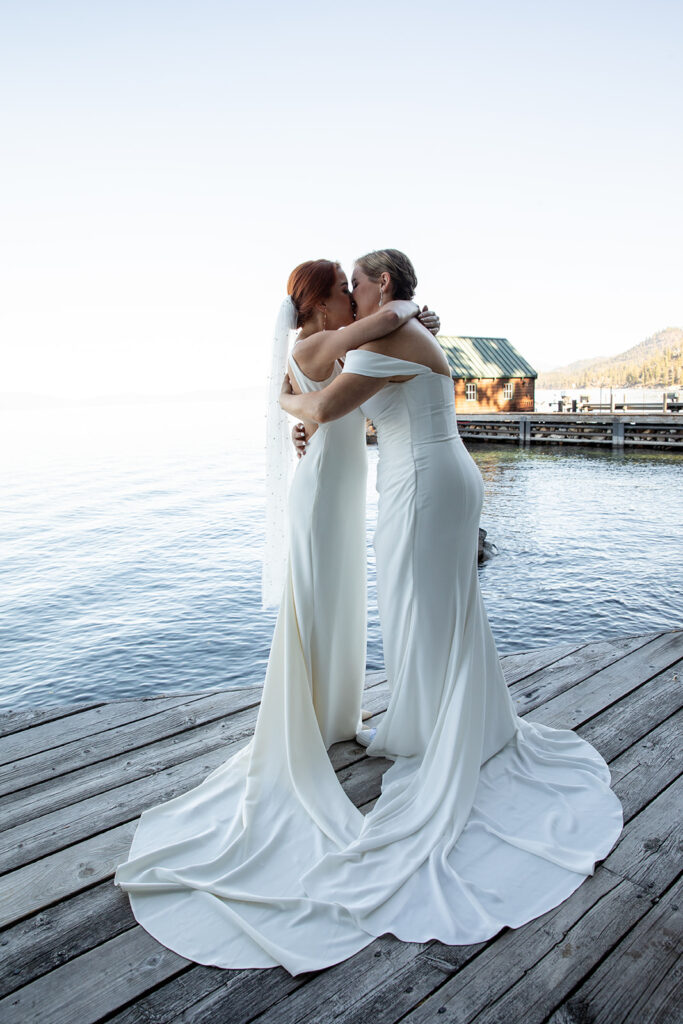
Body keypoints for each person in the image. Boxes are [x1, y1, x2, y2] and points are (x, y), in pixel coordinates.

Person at [277, 248, 624, 948]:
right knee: (434, 614)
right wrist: (309, 421)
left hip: (425, 489)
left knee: (418, 613)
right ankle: (441, 720)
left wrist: (282, 404)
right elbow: (342, 399)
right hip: (436, 476)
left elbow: (323, 401)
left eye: (357, 280)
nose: (350, 290)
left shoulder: (398, 334)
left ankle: (433, 735)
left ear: (382, 284)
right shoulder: (402, 330)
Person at [113, 258, 442, 974]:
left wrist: (418, 321)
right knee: (320, 594)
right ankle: (312, 718)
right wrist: (299, 404)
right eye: (335, 293)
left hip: (343, 480)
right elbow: (367, 340)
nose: (342, 301)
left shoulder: (343, 341)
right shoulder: (310, 344)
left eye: (346, 291)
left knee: (341, 598)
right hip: (324, 485)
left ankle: (333, 716)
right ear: (316, 302)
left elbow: (376, 345)